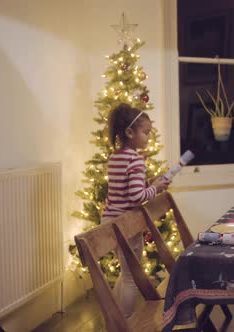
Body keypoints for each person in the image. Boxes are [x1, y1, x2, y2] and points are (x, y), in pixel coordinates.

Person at [102, 103, 171, 316]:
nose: (148, 137)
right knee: (132, 276)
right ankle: (125, 322)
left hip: (111, 221)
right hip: (127, 225)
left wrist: (148, 182)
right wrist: (156, 188)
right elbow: (135, 197)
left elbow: (124, 190)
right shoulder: (135, 160)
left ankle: (115, 318)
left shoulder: (115, 157)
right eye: (145, 132)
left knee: (125, 272)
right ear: (130, 132)